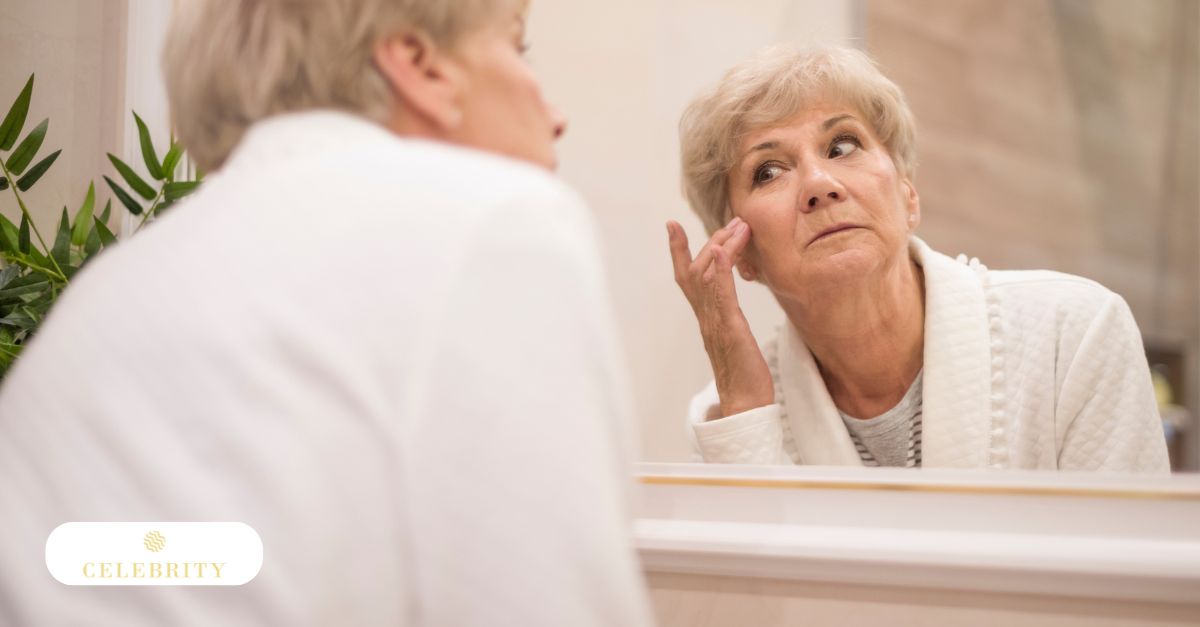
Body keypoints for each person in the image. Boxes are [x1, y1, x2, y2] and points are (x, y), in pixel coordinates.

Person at [0, 1, 652, 625]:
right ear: (419, 65)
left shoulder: (110, 289)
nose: (556, 112)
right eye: (517, 48)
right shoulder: (495, 221)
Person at [668, 45, 1168, 473]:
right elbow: (755, 588)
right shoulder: (726, 416)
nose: (819, 185)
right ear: (740, 251)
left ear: (908, 194)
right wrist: (744, 408)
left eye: (842, 145)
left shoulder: (1075, 335)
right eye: (769, 171)